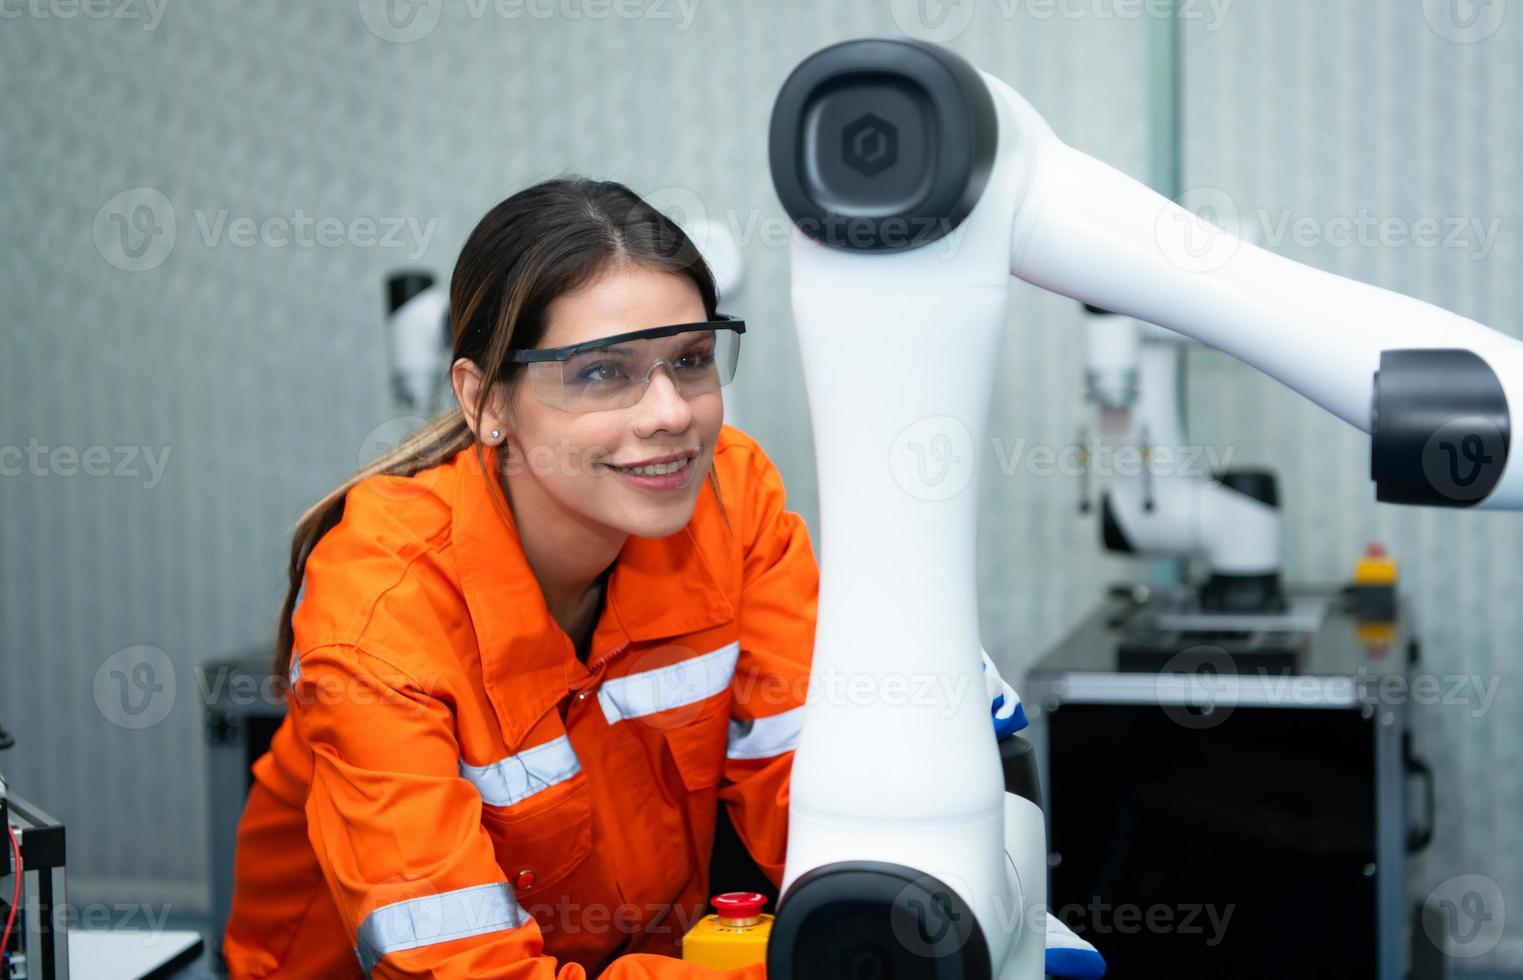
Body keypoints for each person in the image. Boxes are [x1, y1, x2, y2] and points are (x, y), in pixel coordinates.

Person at [221, 177, 1034, 979]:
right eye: (602, 372)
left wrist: (918, 868)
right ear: (484, 401)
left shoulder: (731, 499)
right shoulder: (381, 611)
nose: (670, 413)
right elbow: (464, 970)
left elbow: (819, 806)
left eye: (690, 360)